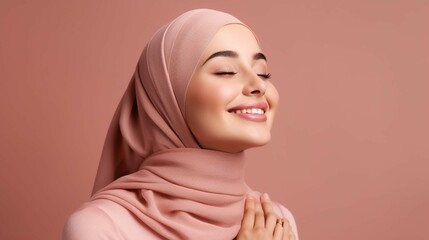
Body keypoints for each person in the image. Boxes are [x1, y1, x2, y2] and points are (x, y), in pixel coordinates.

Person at [63, 9, 298, 240]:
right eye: (226, 71)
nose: (259, 85)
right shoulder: (101, 226)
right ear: (167, 94)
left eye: (263, 73)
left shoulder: (275, 221)